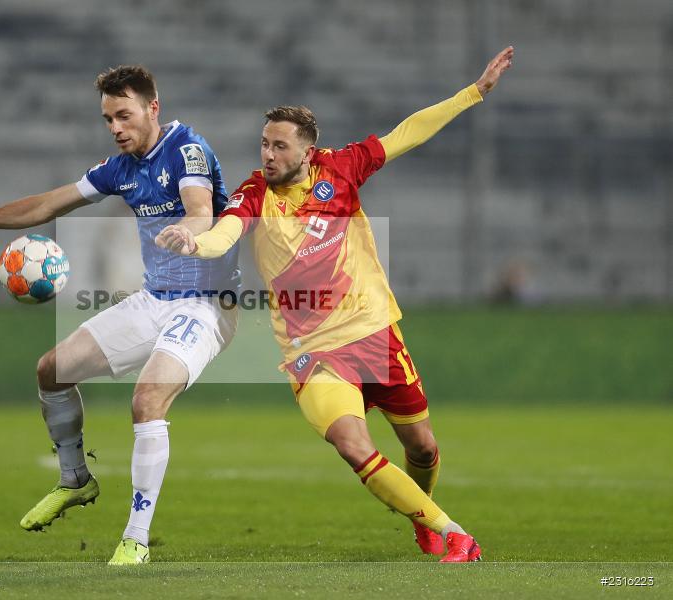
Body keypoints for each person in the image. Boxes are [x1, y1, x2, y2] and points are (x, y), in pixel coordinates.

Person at [156, 47, 514, 563]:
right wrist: (194, 242)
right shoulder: (253, 194)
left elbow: (406, 133)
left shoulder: (341, 169)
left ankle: (422, 512)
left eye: (279, 146)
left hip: (371, 330)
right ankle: (453, 532)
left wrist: (473, 93)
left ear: (307, 151)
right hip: (313, 349)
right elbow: (223, 233)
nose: (268, 155)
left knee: (423, 449)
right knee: (353, 446)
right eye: (264, 144)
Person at [0, 65, 240, 565]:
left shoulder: (187, 149)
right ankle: (74, 479)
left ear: (153, 108)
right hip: (154, 299)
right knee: (51, 370)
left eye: (124, 115)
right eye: (109, 118)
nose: (115, 127)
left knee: (147, 400)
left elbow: (200, 207)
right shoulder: (120, 167)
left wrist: (190, 231)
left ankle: (135, 537)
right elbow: (48, 204)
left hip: (206, 305)